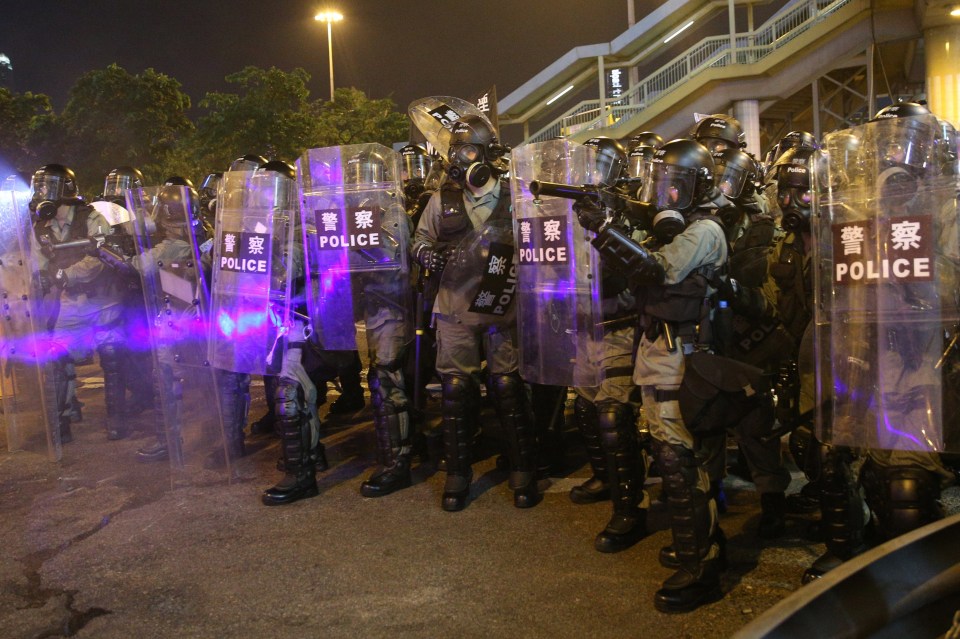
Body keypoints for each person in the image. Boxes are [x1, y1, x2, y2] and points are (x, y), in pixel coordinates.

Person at [575, 139, 732, 612]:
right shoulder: (672, 229)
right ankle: (705, 548)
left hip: (684, 352)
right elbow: (622, 279)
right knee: (679, 453)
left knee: (678, 457)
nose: (663, 194)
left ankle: (698, 565)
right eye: (658, 184)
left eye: (673, 185)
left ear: (696, 188)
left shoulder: (704, 230)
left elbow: (657, 271)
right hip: (659, 347)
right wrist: (615, 222)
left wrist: (605, 229)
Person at [411, 113, 540, 511]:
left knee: (508, 386)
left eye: (467, 150)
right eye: (454, 152)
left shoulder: (516, 196)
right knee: (455, 389)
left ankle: (523, 468)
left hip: (502, 308)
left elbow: (537, 242)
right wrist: (431, 255)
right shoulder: (441, 200)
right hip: (454, 309)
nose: (459, 160)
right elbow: (418, 241)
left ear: (486, 154)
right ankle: (458, 471)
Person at [567, 136, 650, 553]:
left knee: (614, 415)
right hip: (584, 324)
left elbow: (637, 266)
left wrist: (607, 227)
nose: (590, 175)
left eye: (598, 167)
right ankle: (604, 476)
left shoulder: (633, 212)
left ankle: (629, 507)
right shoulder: (569, 208)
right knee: (584, 404)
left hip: (619, 321)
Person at [31, 164, 128, 442]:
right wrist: (39, 276)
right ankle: (61, 422)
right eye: (39, 186)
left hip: (104, 298)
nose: (41, 192)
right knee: (56, 355)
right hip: (71, 302)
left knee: (111, 357)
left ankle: (117, 420)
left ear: (66, 190)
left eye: (48, 186)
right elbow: (38, 261)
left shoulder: (93, 217)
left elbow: (99, 260)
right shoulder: (42, 226)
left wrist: (64, 275)